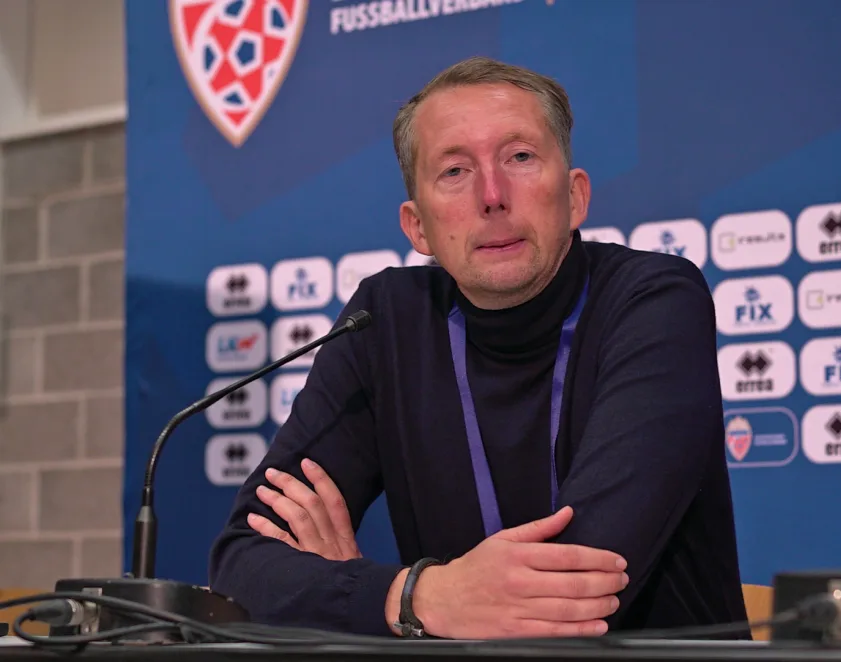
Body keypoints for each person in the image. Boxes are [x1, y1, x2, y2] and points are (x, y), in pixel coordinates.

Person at [208, 56, 749, 640]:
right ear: (418, 226)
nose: (492, 195)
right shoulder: (383, 321)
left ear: (575, 197)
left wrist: (359, 596)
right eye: (455, 171)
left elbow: (576, 588)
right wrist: (415, 595)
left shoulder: (653, 300)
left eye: (520, 157)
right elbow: (242, 568)